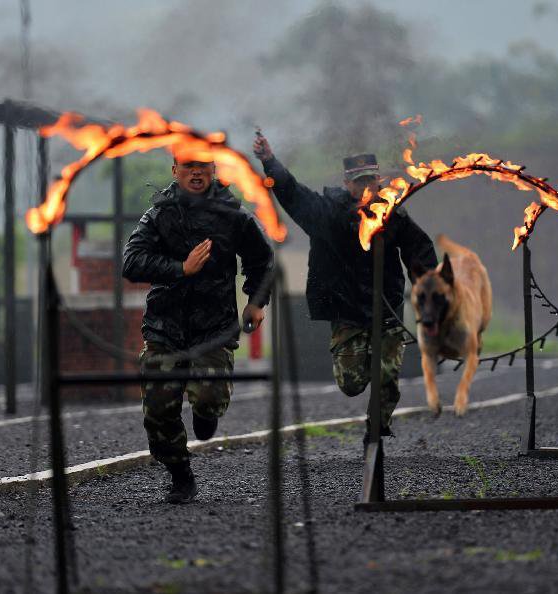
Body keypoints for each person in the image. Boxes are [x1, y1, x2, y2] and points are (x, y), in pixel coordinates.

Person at [252, 135, 437, 439]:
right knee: (351, 384)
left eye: (370, 181)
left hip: (387, 307)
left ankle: (376, 429)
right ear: (347, 183)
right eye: (359, 182)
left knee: (387, 376)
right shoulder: (326, 213)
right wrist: (269, 161)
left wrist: (427, 294)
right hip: (346, 309)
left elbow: (420, 252)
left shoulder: (392, 214)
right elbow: (292, 193)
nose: (365, 188)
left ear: (379, 181)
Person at [123, 156, 274, 504]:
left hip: (214, 327)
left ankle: (207, 414)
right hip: (165, 325)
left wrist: (255, 302)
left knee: (209, 398)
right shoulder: (160, 214)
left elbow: (262, 260)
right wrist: (181, 267)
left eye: (203, 166)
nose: (196, 172)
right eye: (188, 166)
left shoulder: (233, 215)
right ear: (175, 170)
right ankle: (180, 475)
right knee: (159, 408)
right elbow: (131, 263)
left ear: (213, 170)